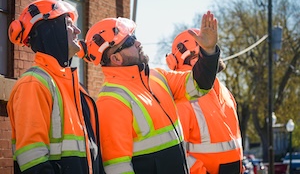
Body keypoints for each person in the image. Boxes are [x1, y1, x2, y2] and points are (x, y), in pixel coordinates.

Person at [79, 11, 220, 174]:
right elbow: (117, 167)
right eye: (130, 41)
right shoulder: (111, 101)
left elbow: (199, 85)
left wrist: (209, 53)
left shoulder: (158, 76)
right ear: (116, 59)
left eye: (134, 37)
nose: (138, 43)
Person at [7, 0, 104, 174]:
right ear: (50, 31)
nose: (78, 30)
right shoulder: (33, 84)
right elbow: (33, 161)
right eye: (68, 24)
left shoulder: (76, 88)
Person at [165, 28, 243, 174]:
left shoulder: (224, 91)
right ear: (194, 58)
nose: (215, 56)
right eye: (208, 51)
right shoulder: (181, 99)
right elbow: (177, 151)